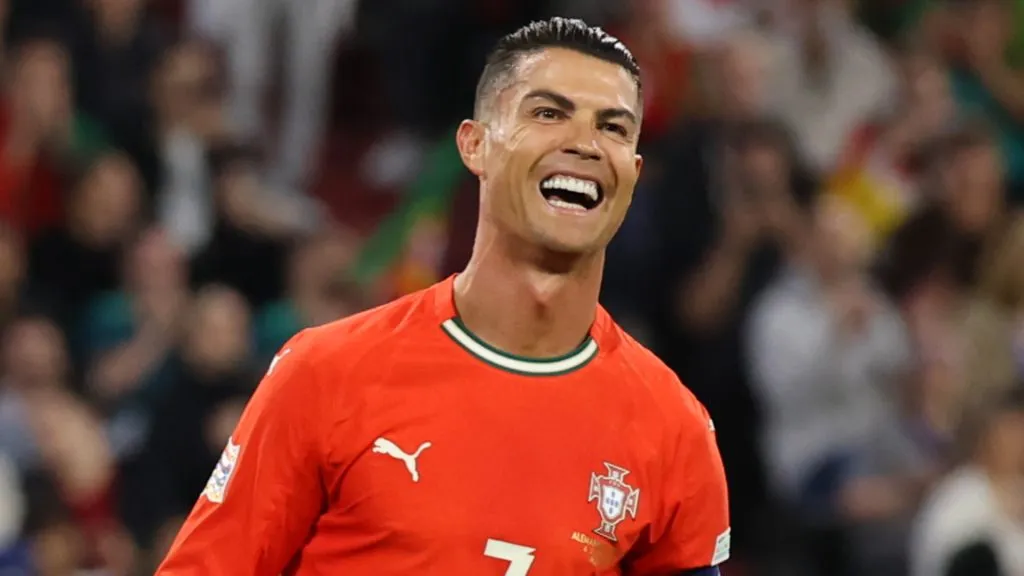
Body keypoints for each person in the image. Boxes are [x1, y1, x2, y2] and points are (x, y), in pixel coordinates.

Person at [156, 17, 730, 576]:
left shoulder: (674, 427)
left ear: (632, 171)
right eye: (549, 113)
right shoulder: (325, 375)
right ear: (475, 145)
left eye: (613, 127)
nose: (584, 143)